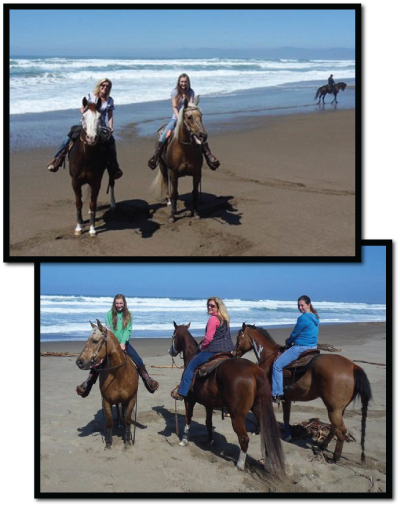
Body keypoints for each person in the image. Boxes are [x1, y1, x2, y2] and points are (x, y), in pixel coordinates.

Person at [76, 294, 159, 397]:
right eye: (117, 303)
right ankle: (87, 384)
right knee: (97, 363)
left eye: (121, 303)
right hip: (111, 345)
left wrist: (123, 342)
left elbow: (128, 330)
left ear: (124, 303)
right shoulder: (109, 314)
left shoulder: (129, 315)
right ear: (114, 304)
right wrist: (114, 344)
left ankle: (148, 380)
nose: (119, 305)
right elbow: (108, 330)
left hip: (124, 343)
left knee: (138, 361)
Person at [47, 78, 123, 179]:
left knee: (111, 142)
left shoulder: (110, 100)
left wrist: (111, 127)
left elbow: (110, 115)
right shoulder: (90, 96)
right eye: (103, 85)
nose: (105, 87)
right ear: (99, 86)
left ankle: (114, 167)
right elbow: (82, 108)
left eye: (107, 86)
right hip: (86, 123)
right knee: (69, 136)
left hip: (101, 125)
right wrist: (85, 111)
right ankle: (57, 159)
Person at [147, 73, 220, 171]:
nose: (183, 83)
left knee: (200, 134)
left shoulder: (191, 92)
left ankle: (209, 156)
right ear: (179, 82)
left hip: (189, 118)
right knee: (164, 135)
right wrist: (179, 118)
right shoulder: (174, 92)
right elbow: (174, 107)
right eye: (181, 81)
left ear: (188, 82)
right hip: (176, 118)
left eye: (185, 81)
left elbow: (191, 106)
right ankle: (155, 157)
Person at [172, 296, 234, 400]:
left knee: (190, 366)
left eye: (212, 305)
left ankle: (182, 392)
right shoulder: (225, 318)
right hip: (228, 350)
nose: (209, 307)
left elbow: (209, 339)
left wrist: (203, 348)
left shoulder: (213, 319)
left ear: (218, 306)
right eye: (208, 305)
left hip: (213, 350)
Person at [271, 295, 319, 403]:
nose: (300, 308)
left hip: (301, 347)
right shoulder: (315, 318)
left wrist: (288, 341)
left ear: (308, 305)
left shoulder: (303, 318)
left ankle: (277, 393)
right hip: (313, 347)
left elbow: (295, 334)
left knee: (276, 366)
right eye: (298, 306)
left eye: (302, 305)